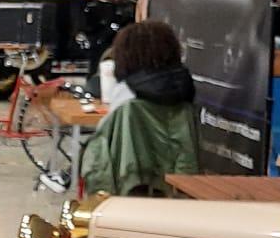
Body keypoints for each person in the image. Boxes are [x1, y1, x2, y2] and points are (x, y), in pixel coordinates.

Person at [78, 20, 199, 197]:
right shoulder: (185, 92)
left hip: (132, 190)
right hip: (179, 193)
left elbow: (100, 153)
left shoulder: (127, 97)